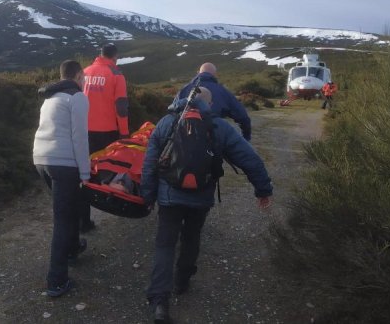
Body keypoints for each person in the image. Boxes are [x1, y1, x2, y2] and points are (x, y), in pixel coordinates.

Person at [141, 87, 273, 323]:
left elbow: (150, 163)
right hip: (200, 197)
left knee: (165, 244)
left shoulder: (166, 122)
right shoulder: (219, 126)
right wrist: (263, 189)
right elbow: (249, 159)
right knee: (191, 237)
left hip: (169, 197)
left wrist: (148, 196)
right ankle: (182, 281)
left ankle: (160, 301)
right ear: (209, 105)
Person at [33, 60, 90, 297]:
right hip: (63, 163)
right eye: (84, 77)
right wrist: (85, 173)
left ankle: (73, 248)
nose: (85, 81)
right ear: (78, 76)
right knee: (63, 219)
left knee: (69, 208)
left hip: (41, 159)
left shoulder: (50, 97)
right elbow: (79, 137)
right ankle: (56, 280)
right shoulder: (77, 98)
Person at [81, 43, 130, 232]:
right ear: (115, 57)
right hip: (107, 131)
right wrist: (124, 133)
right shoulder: (116, 75)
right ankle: (112, 205)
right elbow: (121, 106)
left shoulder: (85, 72)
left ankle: (83, 221)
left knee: (85, 174)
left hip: (84, 131)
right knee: (108, 172)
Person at [178, 62, 252, 141]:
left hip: (184, 138)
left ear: (199, 72)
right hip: (213, 138)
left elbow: (172, 111)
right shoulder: (223, 91)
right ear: (215, 75)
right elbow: (243, 117)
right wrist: (246, 137)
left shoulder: (184, 89)